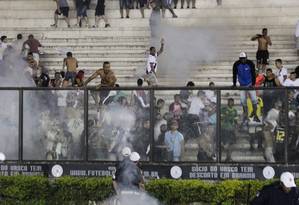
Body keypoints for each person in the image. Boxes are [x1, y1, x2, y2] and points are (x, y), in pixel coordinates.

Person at [233, 52, 260, 123]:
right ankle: (246, 116)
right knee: (243, 101)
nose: (242, 60)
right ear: (239, 59)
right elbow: (234, 74)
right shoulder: (236, 64)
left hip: (250, 84)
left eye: (244, 59)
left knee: (254, 100)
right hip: (242, 85)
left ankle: (255, 115)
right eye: (241, 59)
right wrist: (234, 84)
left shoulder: (250, 63)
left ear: (246, 58)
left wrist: (253, 84)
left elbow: (253, 74)